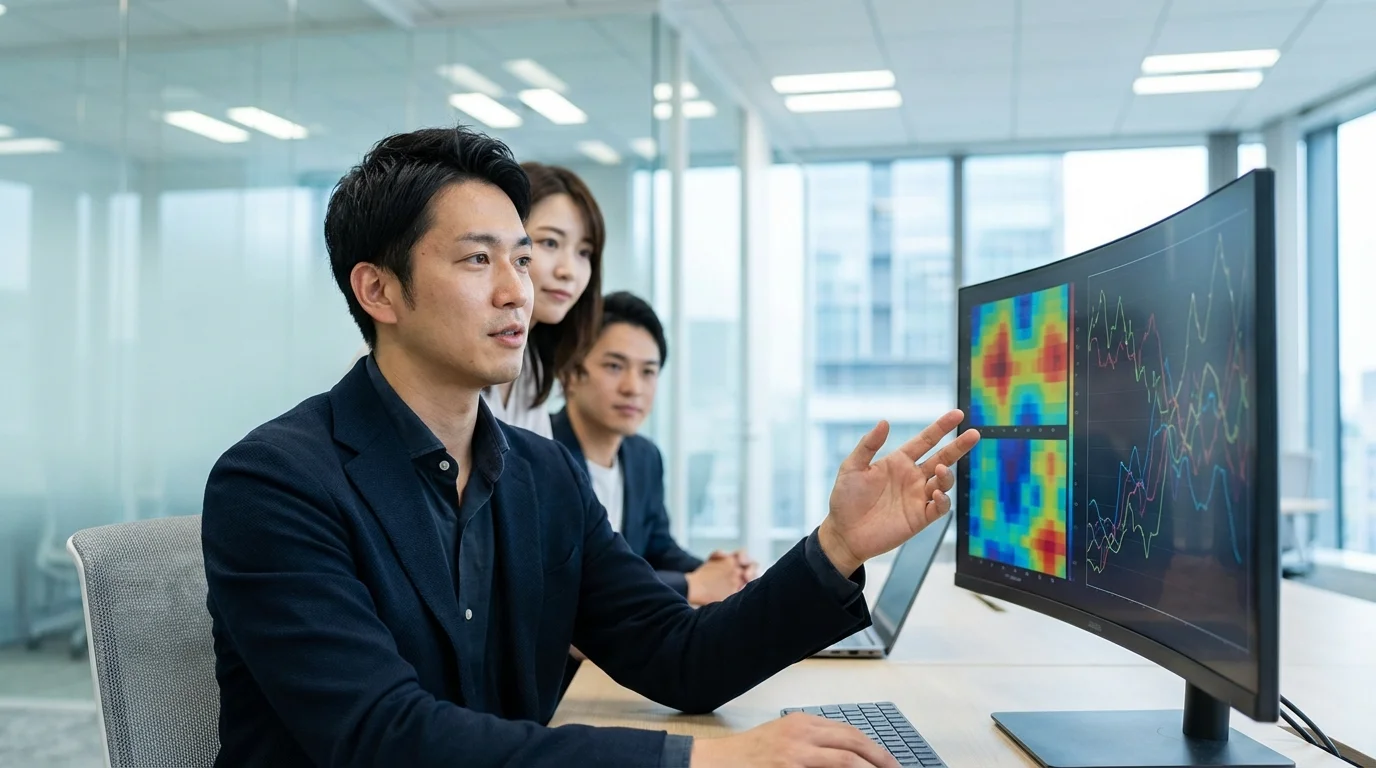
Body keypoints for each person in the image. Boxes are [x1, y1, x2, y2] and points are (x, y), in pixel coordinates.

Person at [201, 125, 980, 768]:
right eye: (479, 259)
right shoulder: (275, 482)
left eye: (522, 258)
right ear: (379, 291)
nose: (519, 290)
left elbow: (681, 655)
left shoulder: (541, 473)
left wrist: (837, 546)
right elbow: (384, 737)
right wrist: (706, 761)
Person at [553, 291, 752, 605]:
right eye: (615, 367)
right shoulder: (540, 454)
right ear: (571, 373)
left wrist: (721, 572)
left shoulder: (643, 457)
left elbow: (659, 550)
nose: (633, 388)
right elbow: (576, 580)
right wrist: (690, 584)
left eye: (648, 372)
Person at [479, 162, 603, 438]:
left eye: (584, 253)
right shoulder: (452, 353)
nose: (568, 271)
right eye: (550, 243)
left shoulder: (531, 360)